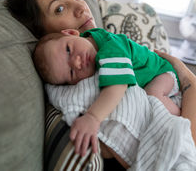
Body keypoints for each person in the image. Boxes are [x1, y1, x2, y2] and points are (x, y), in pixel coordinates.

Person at [5, 0, 196, 169]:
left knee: (155, 97)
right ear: (40, 31)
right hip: (175, 82)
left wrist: (183, 72)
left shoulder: (103, 44)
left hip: (164, 73)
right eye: (60, 8)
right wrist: (188, 79)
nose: (81, 8)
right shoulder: (70, 78)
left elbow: (119, 83)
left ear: (71, 35)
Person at [33, 27, 181, 155]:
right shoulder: (91, 42)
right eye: (71, 72)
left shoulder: (111, 47)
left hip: (163, 73)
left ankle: (183, 118)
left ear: (71, 32)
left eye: (68, 50)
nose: (78, 62)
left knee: (153, 95)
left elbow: (118, 86)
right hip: (155, 75)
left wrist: (93, 117)